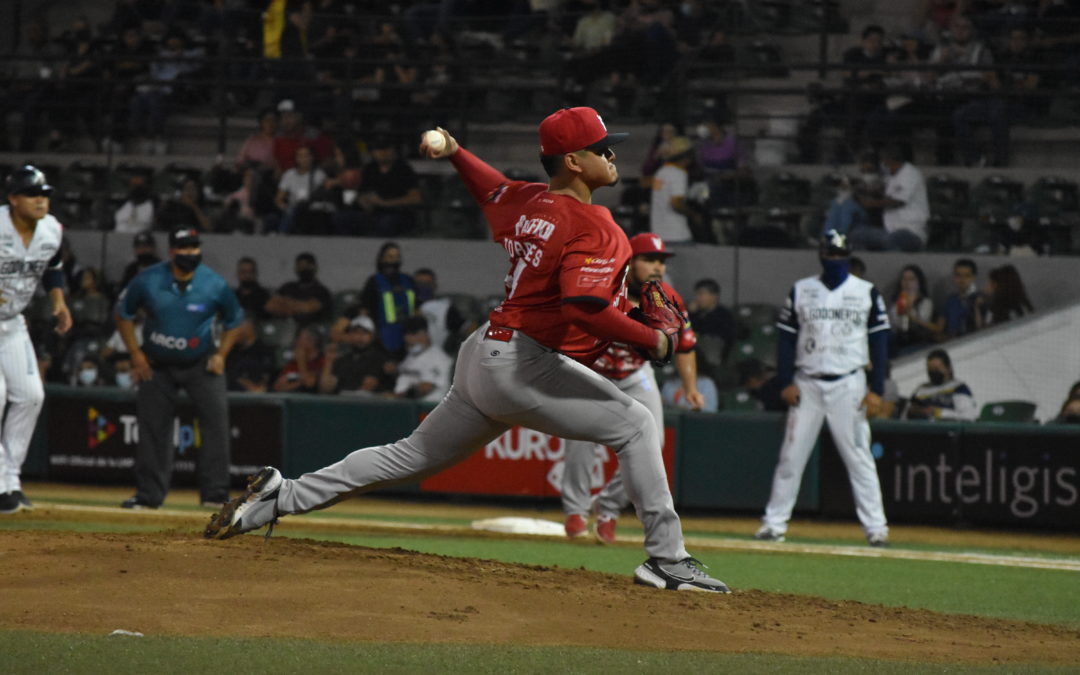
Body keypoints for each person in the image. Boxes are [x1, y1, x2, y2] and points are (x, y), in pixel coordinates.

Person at [205, 108, 731, 593]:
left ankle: (280, 497)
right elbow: (583, 307)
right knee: (638, 424)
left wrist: (457, 153)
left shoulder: (530, 201)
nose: (613, 155)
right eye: (602, 147)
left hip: (485, 351)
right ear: (573, 161)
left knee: (409, 456)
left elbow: (492, 189)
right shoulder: (596, 225)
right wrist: (655, 339)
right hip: (523, 363)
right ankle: (666, 558)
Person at [561, 232, 704, 542]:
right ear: (630, 260)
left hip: (635, 374)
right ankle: (575, 510)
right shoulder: (607, 284)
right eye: (649, 259)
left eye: (662, 261)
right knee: (580, 439)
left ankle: (609, 506)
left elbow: (685, 346)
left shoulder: (668, 297)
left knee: (652, 443)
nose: (658, 267)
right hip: (593, 370)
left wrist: (689, 386)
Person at [755, 229, 890, 547]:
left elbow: (880, 341)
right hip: (808, 383)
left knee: (859, 457)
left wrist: (878, 388)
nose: (834, 259)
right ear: (821, 254)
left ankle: (876, 528)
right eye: (830, 253)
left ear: (848, 256)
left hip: (850, 383)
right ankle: (774, 524)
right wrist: (786, 380)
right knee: (791, 456)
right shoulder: (802, 289)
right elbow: (786, 339)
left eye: (840, 254)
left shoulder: (866, 291)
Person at [115, 228, 244, 510]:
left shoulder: (214, 283)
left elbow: (235, 321)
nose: (190, 253)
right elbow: (123, 313)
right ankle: (148, 496)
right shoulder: (148, 279)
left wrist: (222, 353)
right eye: (184, 248)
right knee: (152, 428)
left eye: (195, 248)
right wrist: (135, 353)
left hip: (201, 362)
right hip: (157, 365)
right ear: (172, 251)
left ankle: (215, 495)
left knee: (216, 425)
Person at [0, 167, 73, 514]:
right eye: (32, 194)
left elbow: (53, 266)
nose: (41, 199)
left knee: (31, 396)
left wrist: (58, 302)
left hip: (12, 323)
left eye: (44, 192)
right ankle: (1, 485)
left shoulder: (51, 229)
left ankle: (11, 480)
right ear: (13, 199)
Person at [851, 145, 929, 252]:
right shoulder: (892, 176)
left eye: (884, 161)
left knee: (891, 240)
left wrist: (871, 203)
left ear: (890, 160)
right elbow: (881, 190)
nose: (882, 164)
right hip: (889, 229)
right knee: (857, 234)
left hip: (911, 231)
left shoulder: (910, 173)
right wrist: (862, 191)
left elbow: (898, 202)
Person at [358, 242, 417, 357]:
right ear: (381, 258)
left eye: (397, 257)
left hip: (408, 335)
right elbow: (365, 311)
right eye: (390, 257)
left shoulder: (408, 280)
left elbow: (417, 307)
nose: (394, 260)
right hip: (382, 337)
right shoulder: (374, 282)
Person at [319, 314, 395, 395]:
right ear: (350, 335)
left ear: (372, 336)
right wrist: (329, 362)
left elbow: (388, 391)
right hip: (343, 403)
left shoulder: (381, 359)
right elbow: (326, 388)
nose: (360, 337)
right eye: (356, 333)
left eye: (365, 333)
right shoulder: (342, 360)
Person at [903, 348, 977, 421]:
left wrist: (938, 412)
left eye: (936, 369)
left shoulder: (958, 387)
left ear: (948, 368)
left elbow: (968, 416)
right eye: (930, 370)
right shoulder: (920, 390)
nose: (933, 373)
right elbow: (904, 417)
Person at [390, 316, 452, 403]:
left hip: (428, 409)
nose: (408, 338)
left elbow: (425, 388)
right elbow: (405, 378)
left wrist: (395, 397)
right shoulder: (410, 356)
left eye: (413, 333)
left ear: (426, 334)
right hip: (406, 406)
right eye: (406, 333)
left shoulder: (440, 359)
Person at [264, 252, 333, 329]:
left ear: (314, 267)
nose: (303, 269)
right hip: (284, 327)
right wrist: (297, 306)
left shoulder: (321, 291)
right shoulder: (287, 286)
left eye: (307, 266)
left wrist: (285, 303)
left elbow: (308, 308)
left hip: (308, 328)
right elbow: (270, 306)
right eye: (300, 266)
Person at [648, 136, 696, 243]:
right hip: (677, 234)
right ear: (686, 157)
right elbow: (676, 204)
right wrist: (693, 215)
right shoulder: (679, 174)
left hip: (658, 234)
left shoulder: (660, 172)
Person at [413, 268, 467, 354]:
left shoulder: (444, 308)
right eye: (419, 283)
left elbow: (467, 327)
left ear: (434, 285)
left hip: (435, 356)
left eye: (427, 284)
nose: (423, 287)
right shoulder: (405, 306)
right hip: (408, 358)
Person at [888, 264, 937, 355]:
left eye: (911, 279)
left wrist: (910, 310)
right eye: (904, 279)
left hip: (918, 341)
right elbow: (893, 326)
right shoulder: (896, 303)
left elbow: (923, 322)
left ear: (919, 282)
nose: (907, 283)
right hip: (899, 340)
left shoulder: (925, 302)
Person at [936, 258, 985, 339]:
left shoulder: (980, 299)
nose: (962, 280)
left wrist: (976, 307)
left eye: (967, 276)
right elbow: (939, 327)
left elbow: (983, 330)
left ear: (973, 277)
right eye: (958, 275)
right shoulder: (950, 300)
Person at [225, 318, 276, 393]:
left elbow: (267, 376)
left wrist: (257, 388)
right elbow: (230, 373)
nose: (233, 332)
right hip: (232, 395)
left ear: (249, 327)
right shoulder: (230, 351)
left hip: (259, 398)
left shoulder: (265, 351)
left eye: (237, 327)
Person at [271, 325, 325, 394]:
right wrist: (299, 383)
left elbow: (309, 383)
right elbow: (278, 387)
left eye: (299, 339)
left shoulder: (322, 361)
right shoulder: (293, 364)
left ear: (311, 342)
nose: (296, 342)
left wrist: (301, 361)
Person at [234, 256, 270, 321]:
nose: (247, 276)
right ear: (238, 274)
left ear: (255, 273)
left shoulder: (264, 296)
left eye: (250, 272)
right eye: (244, 272)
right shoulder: (233, 296)